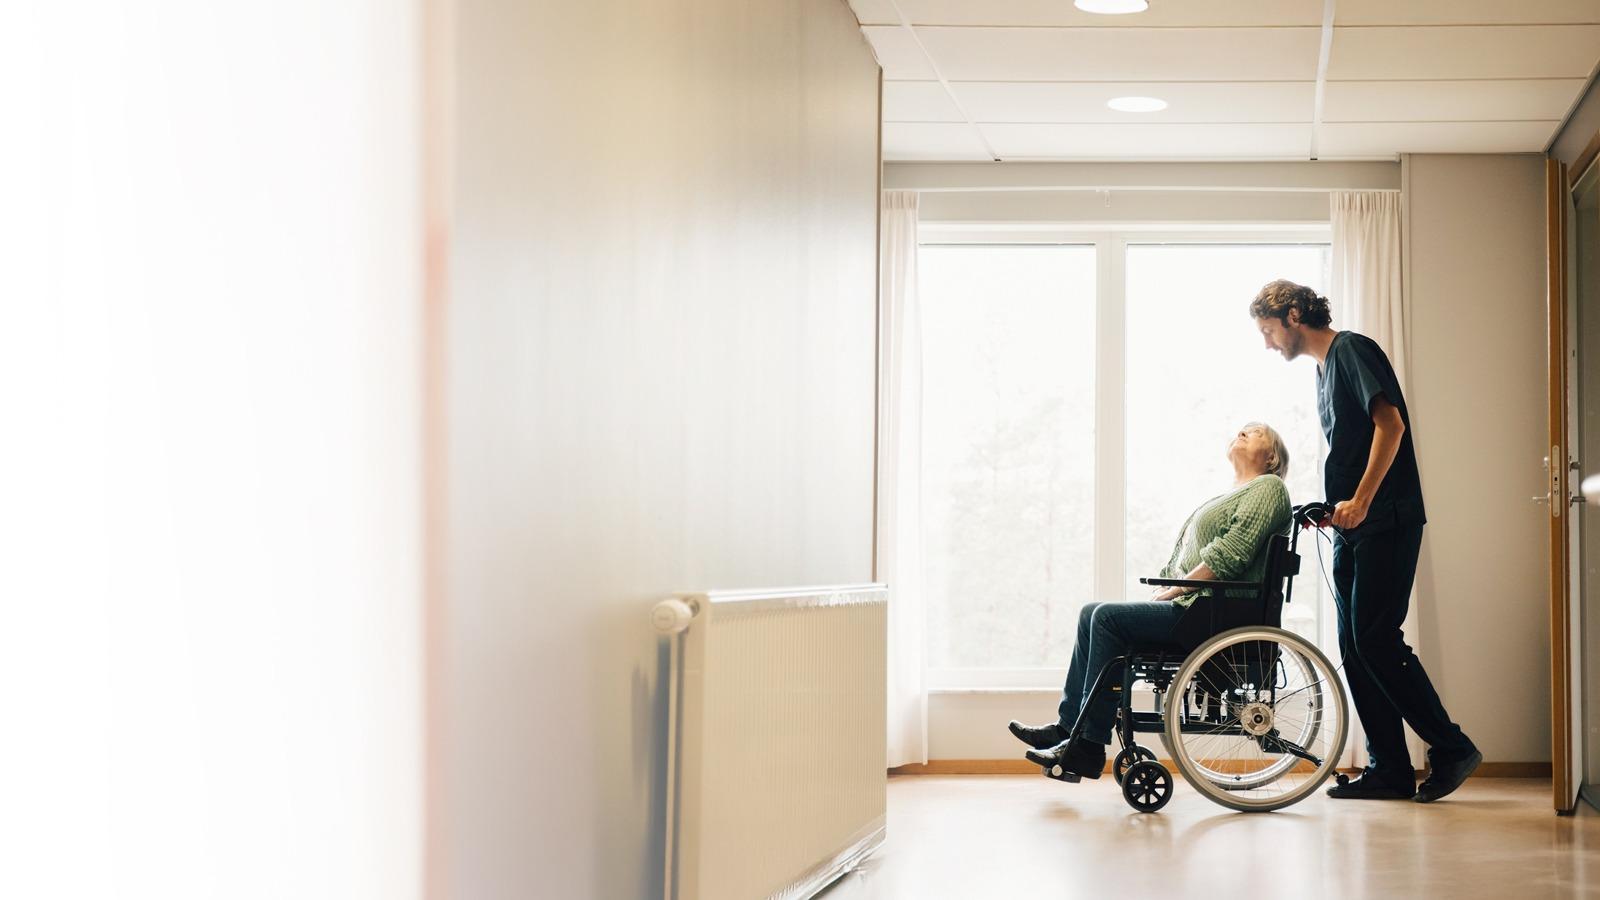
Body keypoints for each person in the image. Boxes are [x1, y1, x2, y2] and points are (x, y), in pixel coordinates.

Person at [1251, 279, 1479, 803]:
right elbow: (1353, 451)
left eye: (1267, 331)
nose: (1267, 344)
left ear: (1291, 314)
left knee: (1376, 637)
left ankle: (1451, 747)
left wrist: (1363, 501)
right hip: (1355, 524)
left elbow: (1391, 425)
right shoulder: (1322, 372)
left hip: (1387, 518)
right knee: (1355, 647)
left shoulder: (1351, 348)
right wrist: (1334, 510)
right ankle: (1390, 770)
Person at [1007, 423, 1292, 780]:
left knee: (1107, 618)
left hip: (1217, 614)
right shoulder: (1234, 493)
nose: (1243, 432)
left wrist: (1176, 589)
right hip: (1201, 607)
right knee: (1090, 613)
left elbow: (1231, 554)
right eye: (1241, 429)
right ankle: (1069, 729)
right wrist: (1169, 585)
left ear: (1271, 457)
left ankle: (1088, 746)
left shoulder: (1269, 487)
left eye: (1255, 432)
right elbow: (1192, 555)